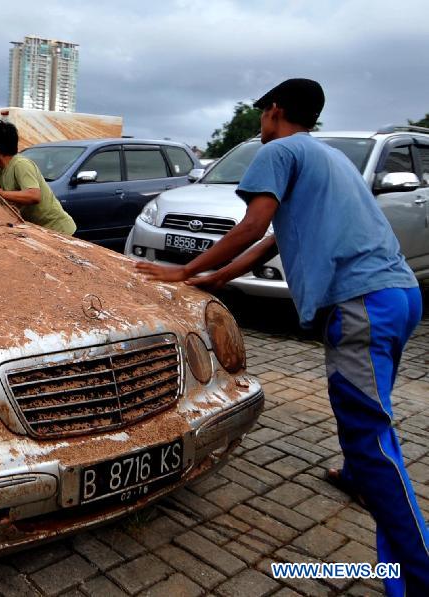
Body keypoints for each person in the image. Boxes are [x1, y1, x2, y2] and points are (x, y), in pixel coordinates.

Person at [136, 78, 427, 595]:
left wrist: (182, 274)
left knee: (369, 432)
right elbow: (274, 237)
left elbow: (253, 224)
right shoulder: (327, 156)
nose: (260, 125)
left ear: (274, 112)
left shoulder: (277, 150)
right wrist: (218, 278)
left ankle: (419, 571)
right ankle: (360, 477)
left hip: (360, 303)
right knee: (368, 407)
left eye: (262, 116)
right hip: (400, 295)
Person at [0, 121, 76, 236]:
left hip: (59, 231)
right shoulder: (0, 171)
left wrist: (2, 193)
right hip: (40, 233)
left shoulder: (21, 164)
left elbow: (34, 195)